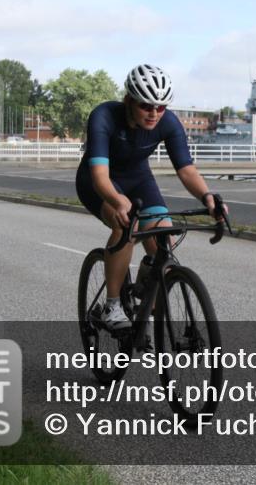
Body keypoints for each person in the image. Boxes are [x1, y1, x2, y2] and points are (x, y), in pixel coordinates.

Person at [76, 64, 228, 331]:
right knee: (127, 225)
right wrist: (117, 200)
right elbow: (100, 176)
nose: (154, 113)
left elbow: (186, 170)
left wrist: (207, 197)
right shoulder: (104, 116)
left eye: (161, 107)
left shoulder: (168, 122)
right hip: (99, 180)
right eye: (147, 106)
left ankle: (148, 283)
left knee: (163, 235)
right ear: (129, 100)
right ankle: (112, 305)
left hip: (139, 179)